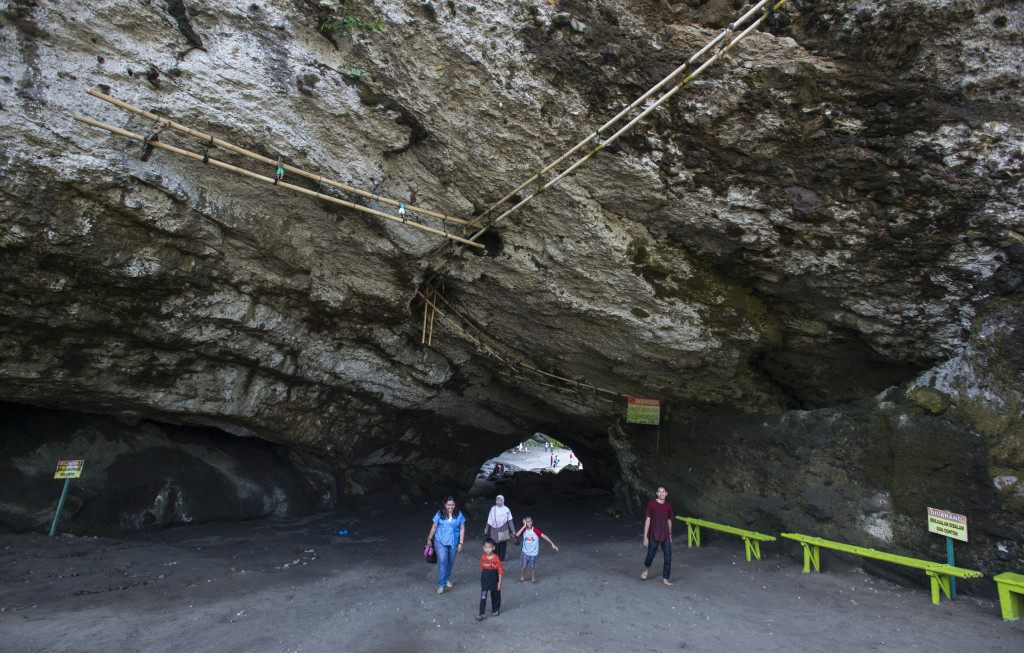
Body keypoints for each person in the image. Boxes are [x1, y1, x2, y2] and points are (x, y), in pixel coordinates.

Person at [426, 495, 465, 594]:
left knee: (450, 561)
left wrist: (461, 543)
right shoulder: (440, 514)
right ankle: (441, 584)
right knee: (443, 561)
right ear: (445, 505)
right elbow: (434, 527)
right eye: (448, 505)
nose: (450, 507)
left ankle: (446, 578)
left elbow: (462, 528)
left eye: (452, 505)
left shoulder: (459, 514)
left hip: (453, 542)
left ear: (455, 505)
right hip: (440, 541)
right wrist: (429, 539)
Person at [641, 485, 674, 586]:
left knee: (668, 557)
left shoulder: (668, 506)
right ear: (656, 493)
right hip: (654, 534)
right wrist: (645, 536)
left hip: (665, 535)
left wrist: (670, 534)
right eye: (659, 492)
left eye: (663, 492)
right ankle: (646, 569)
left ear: (666, 494)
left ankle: (666, 578)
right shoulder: (652, 504)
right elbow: (648, 520)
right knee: (650, 554)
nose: (661, 493)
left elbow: (669, 521)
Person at [515, 516, 558, 583]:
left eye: (530, 522)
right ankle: (522, 577)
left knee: (532, 567)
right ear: (525, 523)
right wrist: (524, 526)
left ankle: (533, 579)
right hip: (525, 552)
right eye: (527, 522)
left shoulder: (535, 531)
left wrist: (552, 543)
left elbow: (544, 536)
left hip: (533, 553)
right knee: (523, 566)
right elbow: (516, 535)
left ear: (532, 522)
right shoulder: (524, 531)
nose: (529, 523)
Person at [477, 538, 503, 620]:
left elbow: (500, 571)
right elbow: (483, 569)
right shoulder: (483, 557)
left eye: (489, 547)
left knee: (495, 595)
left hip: (494, 580)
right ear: (483, 548)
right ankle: (481, 613)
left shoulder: (496, 558)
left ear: (493, 548)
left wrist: (499, 582)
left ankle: (496, 609)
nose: (487, 549)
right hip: (485, 580)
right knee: (483, 596)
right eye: (486, 547)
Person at [484, 495, 515, 562]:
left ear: (503, 501)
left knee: (502, 546)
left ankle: (501, 559)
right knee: (494, 545)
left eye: (500, 500)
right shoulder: (493, 509)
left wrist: (513, 531)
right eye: (497, 500)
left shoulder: (506, 509)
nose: (499, 502)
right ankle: (494, 558)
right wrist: (486, 528)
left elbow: (510, 521)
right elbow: (489, 519)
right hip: (494, 530)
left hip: (503, 529)